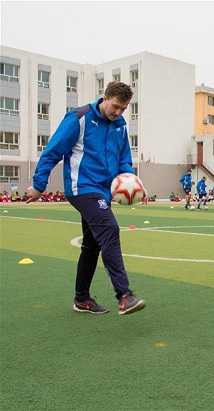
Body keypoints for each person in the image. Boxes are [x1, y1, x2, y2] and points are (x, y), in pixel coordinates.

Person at [26, 81, 146, 315]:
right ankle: (124, 295)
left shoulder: (120, 126)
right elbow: (52, 151)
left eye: (124, 109)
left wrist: (134, 184)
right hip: (81, 188)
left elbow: (124, 161)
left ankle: (82, 299)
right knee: (110, 229)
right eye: (116, 107)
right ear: (105, 97)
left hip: (104, 191)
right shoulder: (78, 117)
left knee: (92, 246)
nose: (119, 112)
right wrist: (39, 184)